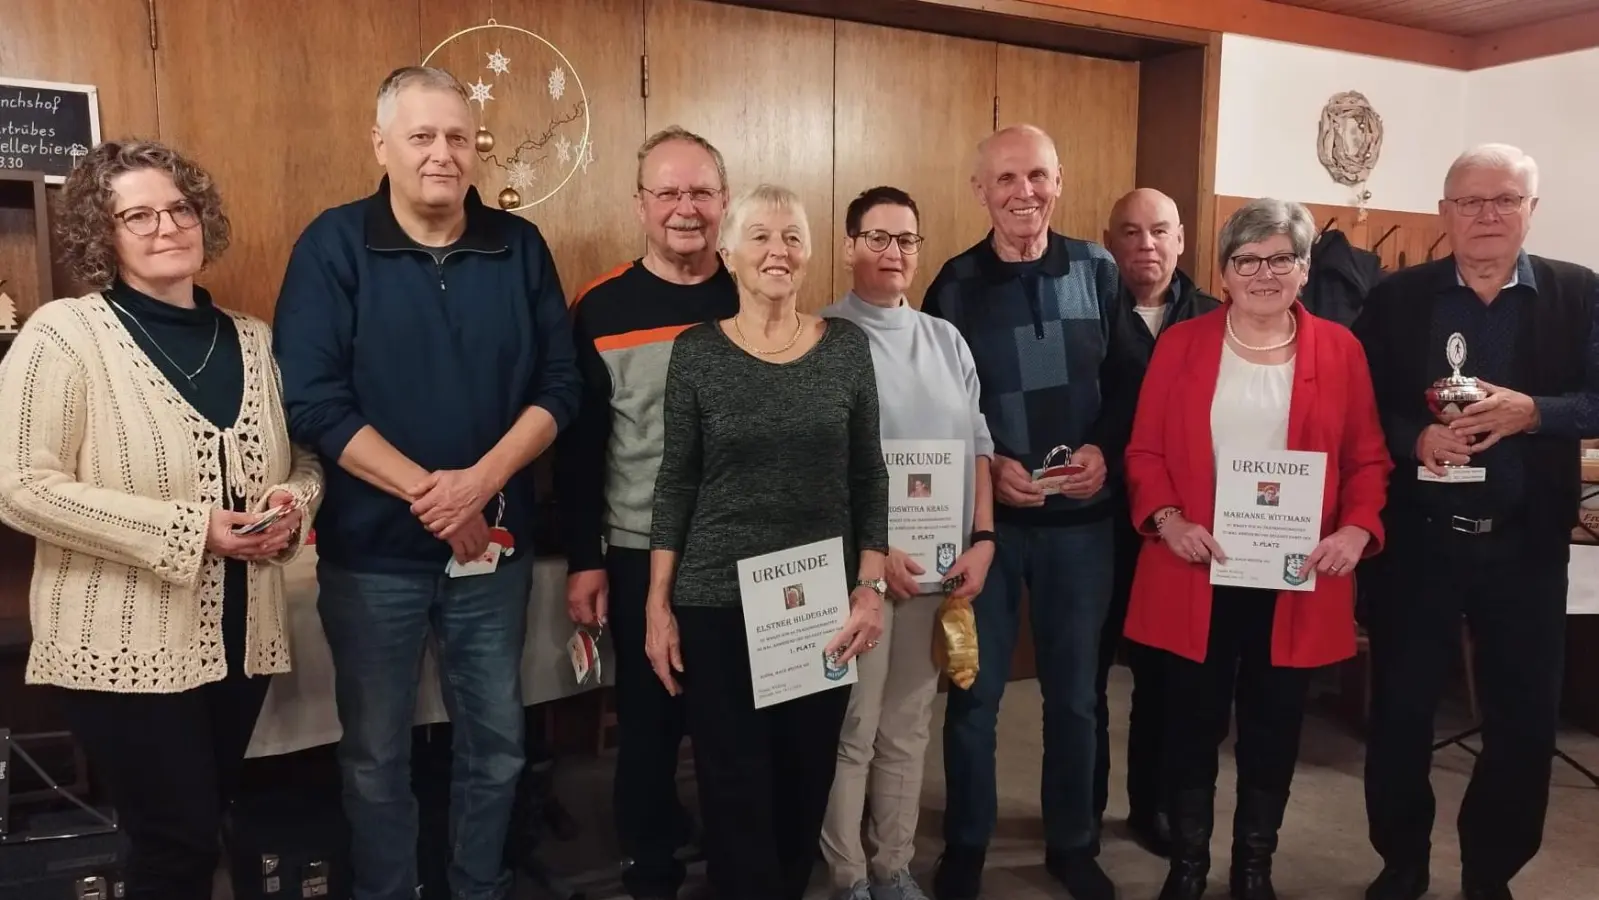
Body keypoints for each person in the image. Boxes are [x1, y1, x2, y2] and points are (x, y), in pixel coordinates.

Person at [272, 66, 580, 900]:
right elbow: (312, 401)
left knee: (499, 747)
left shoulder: (519, 247)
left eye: (457, 137)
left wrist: (480, 482)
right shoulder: (332, 245)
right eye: (421, 137)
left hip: (495, 553)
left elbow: (561, 386)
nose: (442, 154)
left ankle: (476, 887)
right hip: (371, 563)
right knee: (375, 756)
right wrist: (436, 499)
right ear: (381, 146)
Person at [0, 140, 322, 900]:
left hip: (239, 641)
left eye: (178, 208)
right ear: (100, 234)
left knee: (203, 829)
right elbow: (18, 485)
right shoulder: (63, 335)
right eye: (135, 214)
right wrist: (188, 529)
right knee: (174, 846)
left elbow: (302, 463)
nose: (165, 226)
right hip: (121, 640)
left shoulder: (253, 338)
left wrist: (293, 504)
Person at [1124, 197, 1391, 900]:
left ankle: (1252, 868)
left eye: (1281, 258)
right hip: (1195, 567)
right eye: (1247, 260)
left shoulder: (1341, 350)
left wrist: (1355, 528)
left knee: (1273, 727)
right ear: (1224, 272)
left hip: (1296, 573)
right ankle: (1186, 865)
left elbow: (1367, 459)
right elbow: (1144, 451)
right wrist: (1167, 518)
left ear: (1304, 269)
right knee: (1191, 725)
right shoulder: (1181, 345)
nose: (1264, 273)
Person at [1356, 144, 1599, 900]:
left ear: (1531, 209)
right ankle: (1400, 863)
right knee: (1397, 714)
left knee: (1523, 724)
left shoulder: (1579, 293)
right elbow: (1359, 404)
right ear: (1443, 212)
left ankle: (1488, 875)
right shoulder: (1397, 298)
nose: (1486, 214)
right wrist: (1413, 439)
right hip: (1418, 544)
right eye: (1469, 201)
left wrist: (1536, 412)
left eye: (1504, 200)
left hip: (1524, 546)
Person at [644, 183, 889, 900]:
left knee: (804, 776)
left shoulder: (846, 349)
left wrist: (868, 588)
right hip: (717, 602)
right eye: (759, 236)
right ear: (727, 252)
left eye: (790, 237)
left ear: (810, 254)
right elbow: (676, 482)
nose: (776, 251)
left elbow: (868, 477)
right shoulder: (697, 353)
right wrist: (659, 605)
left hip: (815, 603)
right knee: (732, 786)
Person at [922, 124, 1135, 900]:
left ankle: (1072, 841)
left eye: (1038, 176)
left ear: (1059, 180)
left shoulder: (1099, 268)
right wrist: (989, 468)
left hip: (1082, 528)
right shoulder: (952, 284)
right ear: (979, 189)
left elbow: (1127, 384)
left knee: (1075, 697)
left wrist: (1106, 452)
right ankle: (967, 842)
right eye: (1006, 178)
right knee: (973, 695)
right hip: (989, 530)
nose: (1024, 193)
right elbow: (939, 408)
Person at [556, 124, 736, 900]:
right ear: (640, 205)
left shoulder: (756, 291)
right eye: (668, 192)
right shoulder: (598, 306)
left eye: (700, 191)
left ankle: (738, 862)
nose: (685, 208)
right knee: (650, 721)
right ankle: (650, 868)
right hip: (636, 549)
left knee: (735, 725)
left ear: (724, 202)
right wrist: (584, 560)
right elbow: (578, 447)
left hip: (747, 551)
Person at [817, 186, 996, 900]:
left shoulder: (945, 339)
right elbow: (818, 462)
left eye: (907, 240)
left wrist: (983, 537)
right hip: (860, 574)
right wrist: (874, 549)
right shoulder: (823, 337)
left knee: (908, 726)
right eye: (877, 237)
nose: (894, 253)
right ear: (848, 245)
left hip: (939, 573)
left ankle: (892, 867)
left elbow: (978, 445)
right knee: (852, 728)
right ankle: (847, 876)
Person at [1095, 187, 1219, 857]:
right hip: (1092, 522)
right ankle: (1078, 818)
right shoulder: (1086, 309)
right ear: (1110, 240)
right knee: (1085, 681)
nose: (1145, 244)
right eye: (1130, 232)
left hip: (1176, 529)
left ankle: (1154, 807)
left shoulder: (1216, 319)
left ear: (1180, 239)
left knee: (1165, 679)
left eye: (1159, 231)